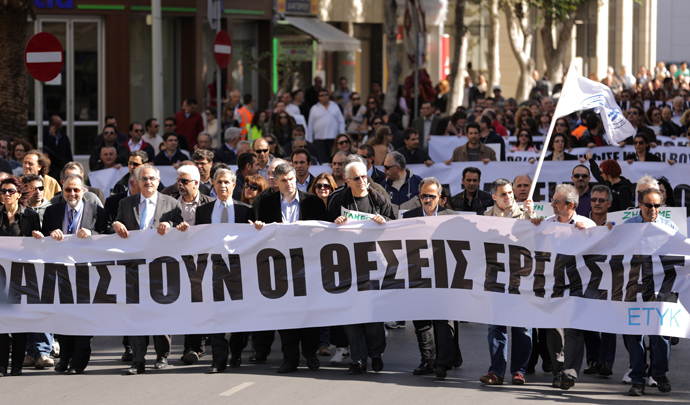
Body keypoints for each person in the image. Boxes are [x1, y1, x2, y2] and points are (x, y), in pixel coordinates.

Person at [253, 163, 328, 374]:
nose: (288, 184)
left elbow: (325, 232)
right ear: (275, 182)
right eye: (283, 180)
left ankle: (310, 353)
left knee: (309, 312)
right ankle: (290, 358)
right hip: (279, 267)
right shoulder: (266, 203)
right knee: (286, 314)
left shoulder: (312, 202)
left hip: (308, 265)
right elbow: (259, 233)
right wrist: (258, 229)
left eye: (291, 179)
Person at [112, 166, 183, 375]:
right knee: (136, 314)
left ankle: (162, 355)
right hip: (133, 269)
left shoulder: (171, 202)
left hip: (161, 268)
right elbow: (115, 224)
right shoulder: (125, 203)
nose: (148, 182)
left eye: (152, 178)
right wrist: (116, 224)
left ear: (158, 180)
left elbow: (181, 227)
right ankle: (138, 359)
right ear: (136, 181)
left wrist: (169, 223)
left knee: (160, 311)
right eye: (144, 178)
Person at [36, 173, 110, 374]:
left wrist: (92, 235)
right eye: (68, 189)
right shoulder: (52, 212)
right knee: (62, 318)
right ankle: (64, 358)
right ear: (62, 190)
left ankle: (78, 362)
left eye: (76, 189)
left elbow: (106, 239)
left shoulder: (97, 212)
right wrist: (50, 236)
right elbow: (43, 240)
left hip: (87, 275)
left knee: (83, 319)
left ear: (83, 191)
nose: (72, 193)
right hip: (59, 274)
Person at [327, 159, 395, 375]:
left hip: (373, 267)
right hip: (346, 267)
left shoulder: (380, 200)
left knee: (373, 316)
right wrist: (334, 224)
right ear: (347, 180)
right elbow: (324, 231)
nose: (361, 181)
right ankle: (357, 359)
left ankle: (375, 354)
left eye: (364, 176)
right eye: (356, 178)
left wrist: (384, 222)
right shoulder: (337, 200)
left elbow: (396, 229)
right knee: (351, 316)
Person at [184, 167, 253, 373]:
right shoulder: (204, 211)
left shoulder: (245, 210)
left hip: (238, 270)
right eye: (219, 182)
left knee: (239, 317)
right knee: (216, 316)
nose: (223, 185)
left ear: (234, 185)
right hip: (212, 270)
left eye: (227, 182)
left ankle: (237, 352)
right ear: (213, 184)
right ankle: (218, 360)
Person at [530, 184, 597, 391]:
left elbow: (601, 249)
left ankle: (570, 372)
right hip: (553, 284)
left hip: (577, 284)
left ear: (570, 205)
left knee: (573, 329)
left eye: (556, 201)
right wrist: (533, 225)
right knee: (553, 328)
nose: (552, 204)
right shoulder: (547, 224)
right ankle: (558, 369)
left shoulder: (587, 224)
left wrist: (589, 234)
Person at [479, 178, 535, 386]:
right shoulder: (485, 218)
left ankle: (519, 371)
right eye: (503, 194)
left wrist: (531, 217)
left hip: (521, 280)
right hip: (495, 280)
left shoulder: (526, 215)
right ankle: (496, 371)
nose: (509, 197)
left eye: (510, 192)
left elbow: (539, 239)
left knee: (522, 327)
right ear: (494, 196)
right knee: (496, 327)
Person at [402, 177, 458, 380]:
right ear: (419, 196)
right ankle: (427, 360)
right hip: (418, 275)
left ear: (440, 197)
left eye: (431, 196)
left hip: (444, 276)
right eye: (424, 196)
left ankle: (442, 363)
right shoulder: (408, 217)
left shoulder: (452, 217)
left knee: (443, 320)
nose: (427, 199)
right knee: (421, 321)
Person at [623, 187, 677, 396]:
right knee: (634, 336)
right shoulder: (627, 228)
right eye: (649, 205)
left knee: (660, 335)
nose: (653, 210)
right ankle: (638, 378)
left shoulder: (669, 226)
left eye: (657, 206)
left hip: (662, 288)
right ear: (640, 205)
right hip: (635, 288)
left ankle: (660, 373)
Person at [0, 175, 41, 376]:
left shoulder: (30, 216)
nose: (6, 194)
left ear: (18, 194)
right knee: (1, 322)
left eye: (10, 191)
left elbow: (40, 244)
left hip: (21, 275)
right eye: (3, 191)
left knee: (19, 322)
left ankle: (16, 365)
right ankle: (1, 365)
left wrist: (38, 238)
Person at [581, 185, 617, 378]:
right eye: (594, 200)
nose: (596, 203)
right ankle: (593, 359)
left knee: (608, 322)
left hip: (611, 278)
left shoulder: (618, 224)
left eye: (601, 200)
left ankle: (606, 362)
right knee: (589, 321)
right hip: (587, 277)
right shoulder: (581, 222)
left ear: (609, 203)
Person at [307, 89, 346, 163]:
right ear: (318, 97)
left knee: (334, 159)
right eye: (322, 95)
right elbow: (310, 125)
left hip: (334, 138)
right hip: (319, 138)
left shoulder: (335, 106)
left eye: (326, 95)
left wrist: (342, 135)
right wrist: (310, 139)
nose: (324, 97)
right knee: (322, 160)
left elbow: (341, 121)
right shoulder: (314, 108)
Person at [43, 115, 73, 180]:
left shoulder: (63, 136)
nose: (60, 127)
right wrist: (52, 138)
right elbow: (47, 149)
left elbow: (68, 152)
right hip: (51, 168)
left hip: (62, 166)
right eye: (58, 125)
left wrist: (70, 166)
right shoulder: (45, 136)